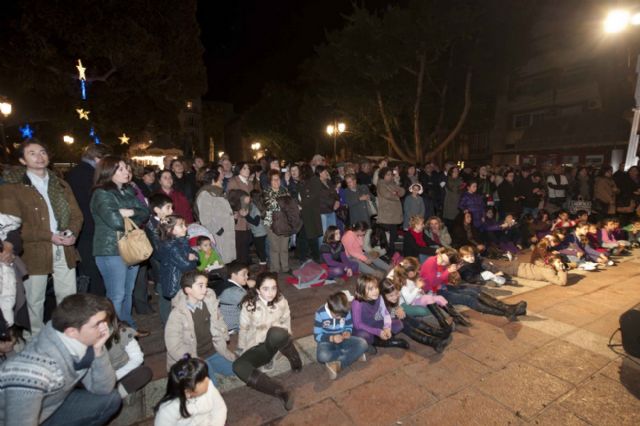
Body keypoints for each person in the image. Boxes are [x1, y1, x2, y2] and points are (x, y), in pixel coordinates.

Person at [0, 140, 84, 339]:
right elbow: (12, 225)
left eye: (43, 152)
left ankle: (67, 338)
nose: (40, 157)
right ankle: (34, 341)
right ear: (22, 160)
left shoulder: (60, 184)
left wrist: (71, 233)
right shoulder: (13, 187)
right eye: (32, 153)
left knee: (68, 298)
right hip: (33, 251)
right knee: (34, 301)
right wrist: (49, 236)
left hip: (64, 247)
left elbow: (76, 215)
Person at [0, 293, 121, 426]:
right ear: (72, 332)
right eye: (97, 324)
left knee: (110, 399)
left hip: (49, 407)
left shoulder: (74, 341)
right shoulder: (33, 374)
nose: (104, 329)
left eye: (104, 322)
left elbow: (103, 389)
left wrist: (98, 350)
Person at [91, 156, 150, 335]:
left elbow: (145, 213)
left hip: (130, 247)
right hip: (111, 250)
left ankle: (128, 326)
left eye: (127, 168)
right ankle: (113, 332)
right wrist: (127, 213)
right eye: (121, 169)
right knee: (116, 294)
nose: (127, 172)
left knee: (128, 291)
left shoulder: (127, 191)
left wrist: (129, 212)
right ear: (108, 172)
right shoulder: (101, 193)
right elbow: (115, 221)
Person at [234, 272, 301, 410]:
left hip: (276, 342)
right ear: (258, 290)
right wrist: (241, 348)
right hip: (258, 346)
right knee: (238, 366)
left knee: (277, 332)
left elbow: (286, 321)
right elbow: (244, 328)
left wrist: (287, 336)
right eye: (265, 288)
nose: (271, 292)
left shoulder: (281, 301)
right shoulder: (249, 305)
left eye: (273, 288)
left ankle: (294, 358)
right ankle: (281, 393)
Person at [165, 270, 236, 387]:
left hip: (213, 350)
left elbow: (219, 319)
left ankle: (212, 365)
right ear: (188, 290)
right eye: (200, 286)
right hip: (194, 357)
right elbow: (174, 346)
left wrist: (223, 334)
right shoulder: (177, 314)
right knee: (210, 387)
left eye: (206, 285)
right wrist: (193, 360)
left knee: (236, 369)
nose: (205, 289)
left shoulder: (209, 301)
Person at [420, 248, 527, 322]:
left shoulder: (445, 264)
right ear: (439, 254)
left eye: (445, 262)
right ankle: (507, 312)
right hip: (434, 292)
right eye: (441, 259)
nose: (441, 262)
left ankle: (507, 308)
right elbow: (431, 283)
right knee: (468, 298)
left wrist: (452, 272)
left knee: (474, 290)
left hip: (442, 287)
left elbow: (443, 280)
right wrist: (447, 272)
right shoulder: (431, 262)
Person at [65, 143, 111, 296]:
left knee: (91, 269)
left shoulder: (75, 172)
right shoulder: (90, 174)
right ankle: (96, 304)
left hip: (83, 228)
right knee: (93, 270)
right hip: (89, 229)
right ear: (98, 158)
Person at [380, 279, 452, 353]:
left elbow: (395, 307)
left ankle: (437, 333)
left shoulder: (392, 299)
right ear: (383, 295)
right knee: (406, 326)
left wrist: (398, 308)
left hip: (395, 317)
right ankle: (433, 342)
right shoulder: (381, 304)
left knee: (411, 320)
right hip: (387, 327)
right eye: (391, 295)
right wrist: (395, 311)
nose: (395, 297)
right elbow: (386, 318)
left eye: (396, 293)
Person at [154, 355, 227, 426]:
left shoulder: (209, 386)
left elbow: (220, 408)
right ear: (187, 392)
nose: (208, 380)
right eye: (202, 380)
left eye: (205, 376)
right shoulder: (167, 410)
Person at [313, 291, 368, 380]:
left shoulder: (344, 311)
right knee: (321, 356)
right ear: (331, 309)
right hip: (326, 341)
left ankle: (337, 365)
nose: (341, 318)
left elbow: (349, 325)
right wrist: (332, 338)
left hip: (342, 339)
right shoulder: (320, 313)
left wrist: (348, 331)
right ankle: (353, 355)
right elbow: (317, 336)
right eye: (338, 316)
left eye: (342, 316)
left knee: (363, 344)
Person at [351, 274, 409, 354]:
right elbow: (358, 324)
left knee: (398, 324)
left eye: (376, 287)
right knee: (364, 336)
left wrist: (387, 327)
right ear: (362, 290)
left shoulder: (379, 297)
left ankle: (378, 339)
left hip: (375, 322)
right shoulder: (357, 303)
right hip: (363, 328)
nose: (375, 291)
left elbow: (385, 314)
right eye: (371, 289)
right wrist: (378, 332)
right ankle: (382, 341)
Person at [104, 305, 153, 398]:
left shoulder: (122, 332)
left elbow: (137, 358)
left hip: (122, 370)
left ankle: (118, 394)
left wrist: (115, 377)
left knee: (145, 373)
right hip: (102, 376)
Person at [195, 169, 236, 264]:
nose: (222, 181)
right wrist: (219, 230)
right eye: (220, 179)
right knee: (218, 262)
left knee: (227, 262)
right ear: (213, 180)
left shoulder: (218, 193)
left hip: (226, 234)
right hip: (217, 236)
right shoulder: (205, 195)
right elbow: (205, 219)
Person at [156, 215, 199, 303]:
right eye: (181, 225)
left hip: (183, 280)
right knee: (181, 307)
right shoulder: (172, 247)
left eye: (184, 225)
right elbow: (186, 266)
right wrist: (193, 259)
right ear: (170, 230)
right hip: (177, 284)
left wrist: (193, 256)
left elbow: (194, 253)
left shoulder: (181, 241)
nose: (185, 228)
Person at [263, 170, 294, 273]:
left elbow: (290, 205)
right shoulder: (266, 192)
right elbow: (272, 206)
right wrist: (284, 204)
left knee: (284, 247)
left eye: (278, 179)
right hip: (271, 222)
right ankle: (275, 269)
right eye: (274, 179)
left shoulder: (284, 190)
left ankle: (285, 267)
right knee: (275, 247)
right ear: (270, 181)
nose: (277, 181)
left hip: (285, 222)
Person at [215, 262, 255, 332]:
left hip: (224, 321)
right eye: (243, 274)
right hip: (233, 326)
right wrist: (252, 288)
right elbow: (253, 304)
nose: (247, 277)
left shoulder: (224, 284)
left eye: (247, 274)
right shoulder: (235, 291)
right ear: (233, 275)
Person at [376, 167, 406, 255]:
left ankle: (392, 253)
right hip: (387, 214)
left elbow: (402, 191)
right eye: (387, 175)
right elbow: (387, 195)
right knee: (387, 236)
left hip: (394, 214)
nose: (390, 176)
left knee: (393, 235)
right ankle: (387, 253)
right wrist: (396, 194)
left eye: (391, 175)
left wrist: (396, 192)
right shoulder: (381, 184)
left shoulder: (392, 183)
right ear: (383, 175)